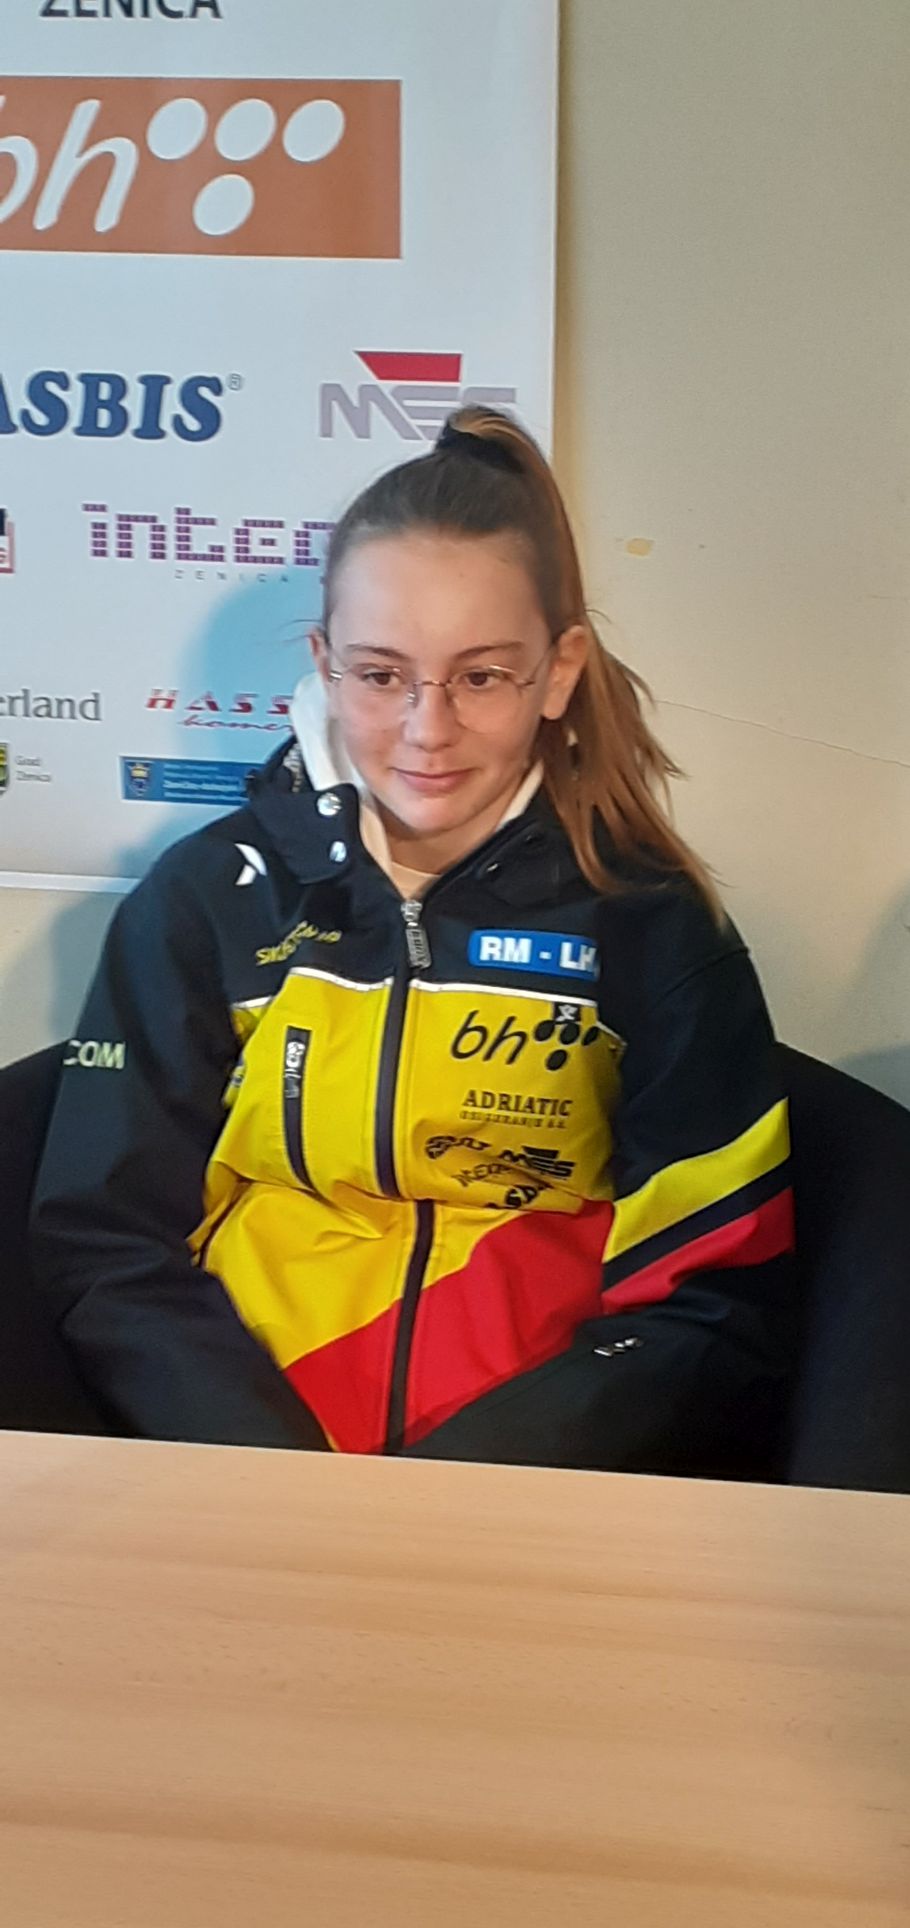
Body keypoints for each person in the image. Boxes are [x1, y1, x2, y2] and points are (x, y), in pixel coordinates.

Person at [31, 408, 795, 1473]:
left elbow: (714, 1280)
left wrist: (475, 1488)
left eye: (481, 676)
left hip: (535, 1474)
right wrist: (270, 1474)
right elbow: (107, 1240)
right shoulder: (205, 897)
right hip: (240, 1460)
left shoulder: (652, 918)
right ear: (325, 663)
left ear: (559, 670)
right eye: (382, 674)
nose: (428, 730)